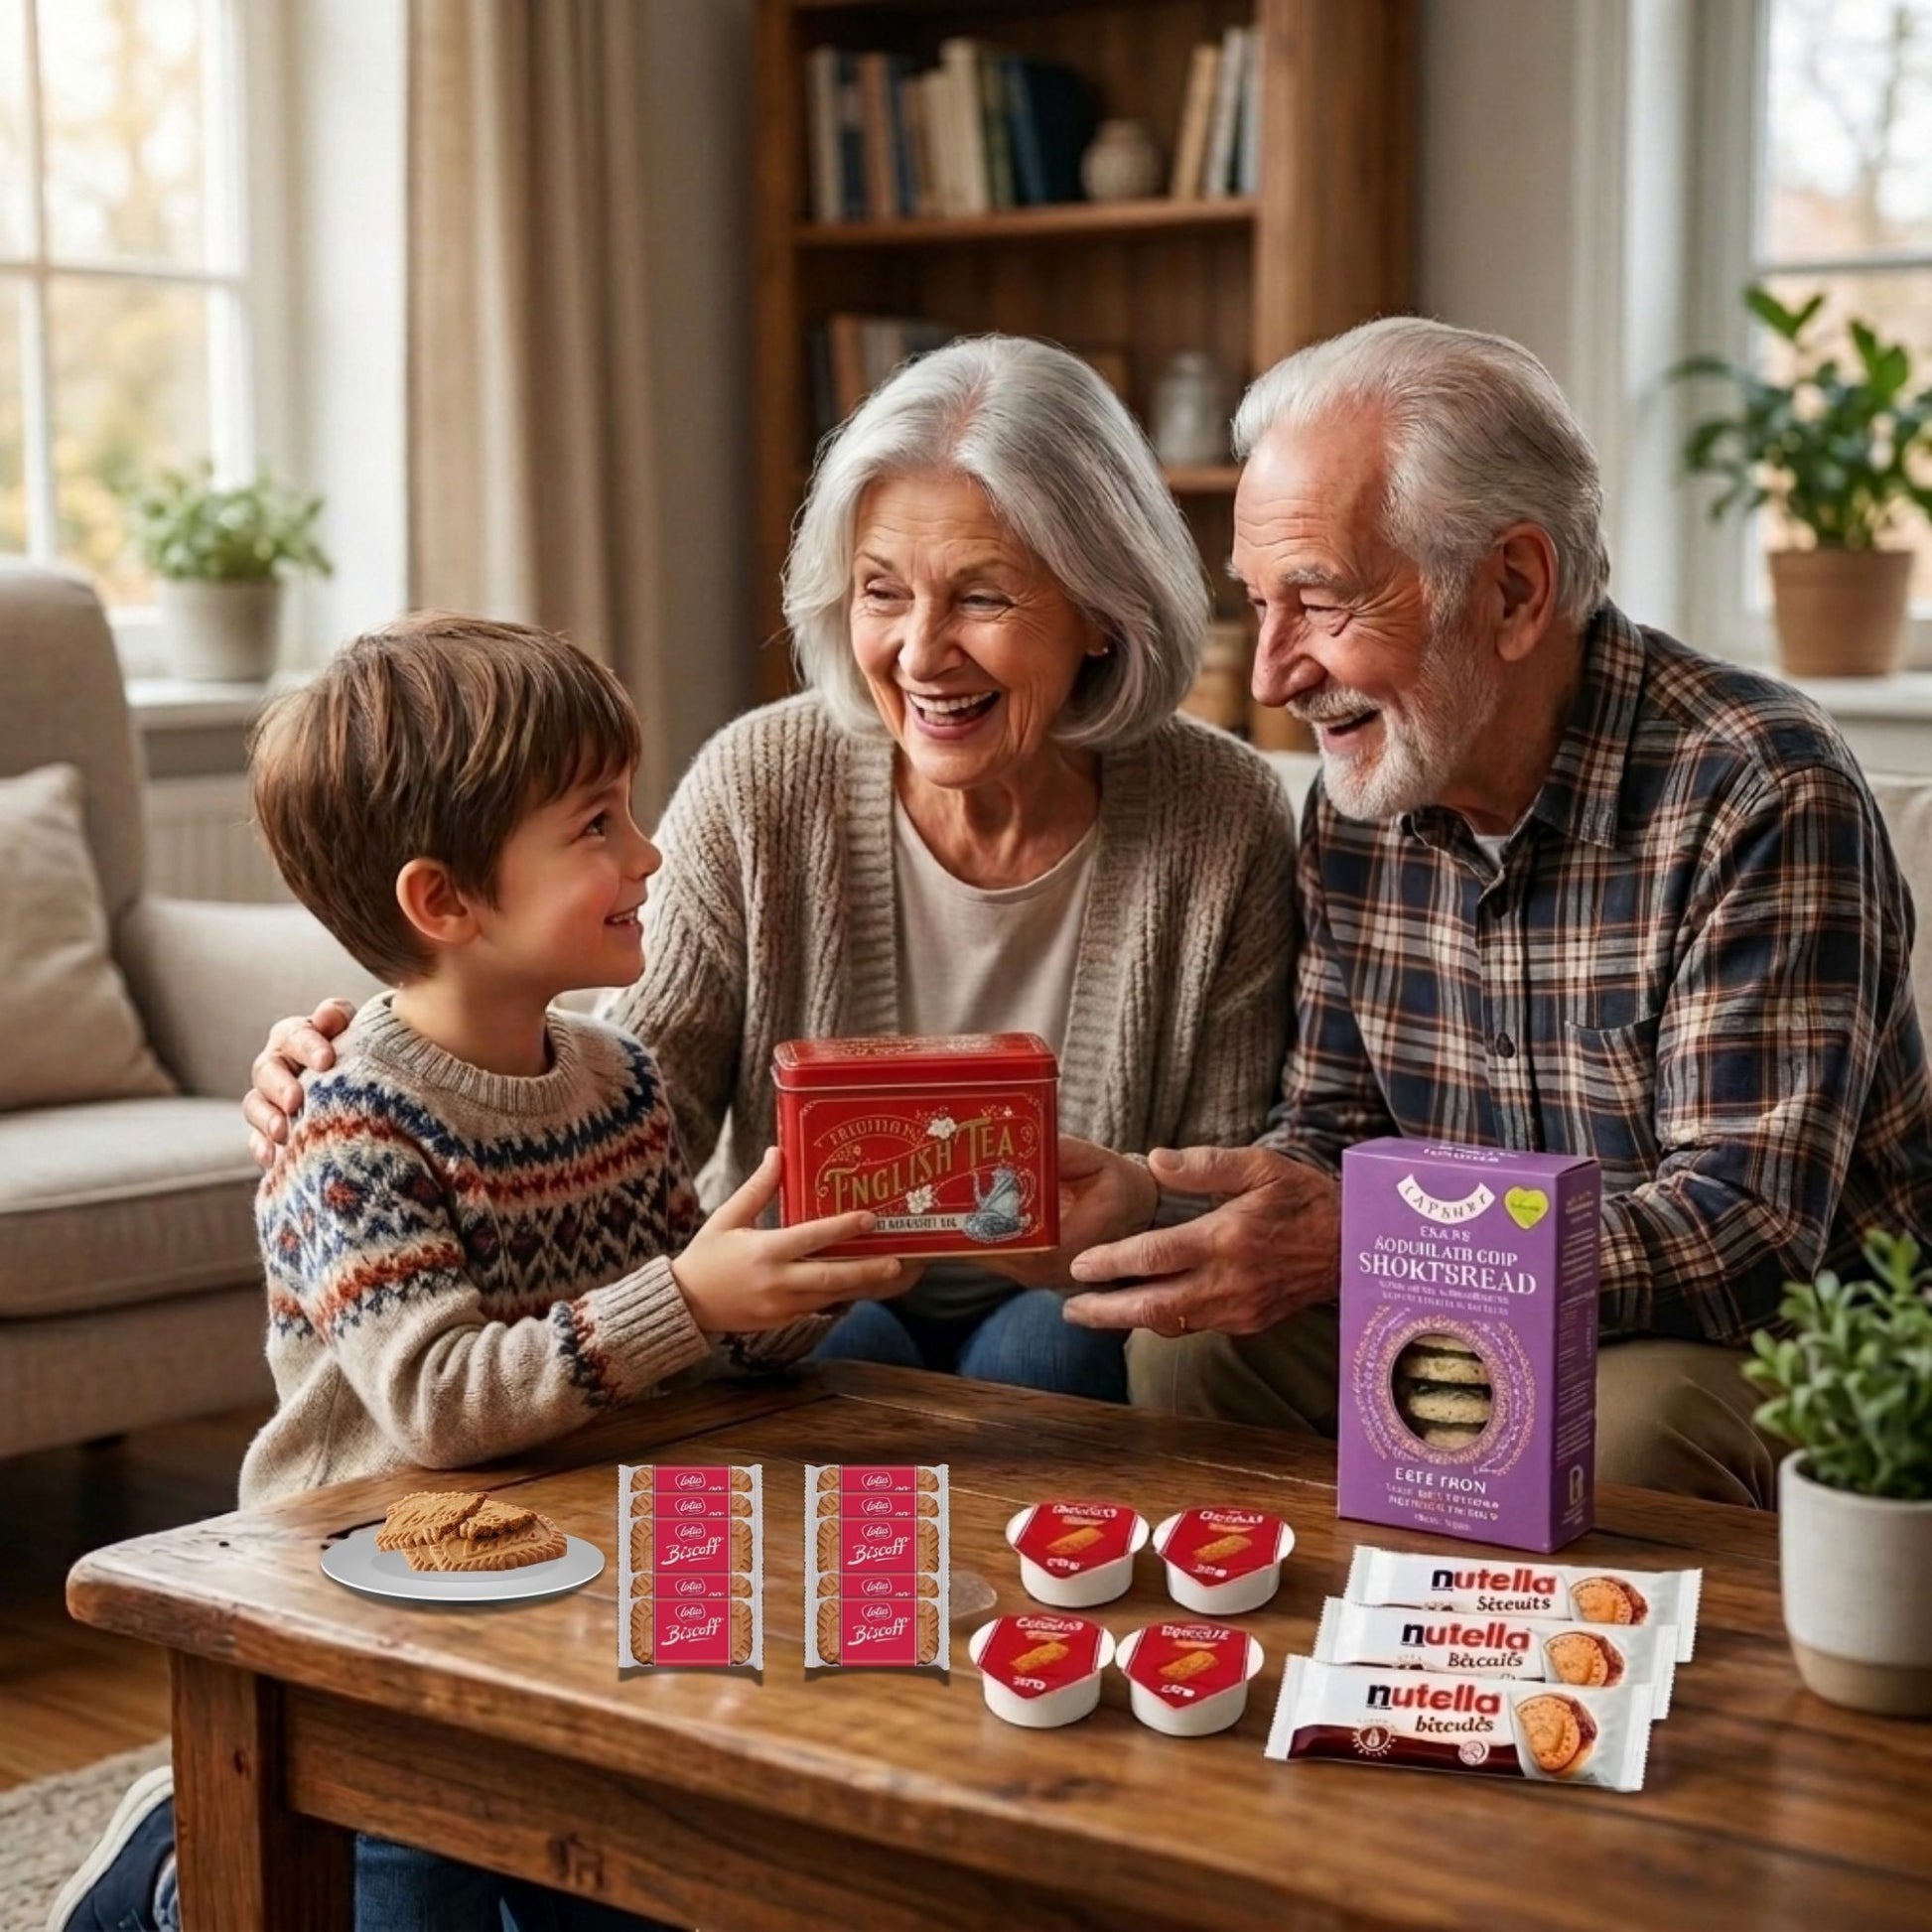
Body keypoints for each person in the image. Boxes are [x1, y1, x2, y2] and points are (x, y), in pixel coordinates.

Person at [241, 336, 1299, 1403]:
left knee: (1049, 1344)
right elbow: (621, 1111)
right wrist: (374, 1061)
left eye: (982, 597)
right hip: (802, 1315)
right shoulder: (761, 782)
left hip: (1073, 1305)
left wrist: (1140, 1203)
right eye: (882, 591)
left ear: (1102, 612)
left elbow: (1232, 1201)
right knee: (854, 1344)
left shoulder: (1222, 815)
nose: (920, 652)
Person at [54, 616, 907, 1932]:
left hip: (564, 1563)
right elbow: (441, 1407)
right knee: (401, 1899)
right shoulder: (349, 1121)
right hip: (362, 1590)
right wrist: (694, 1293)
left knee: (661, 1873)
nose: (647, 851)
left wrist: (790, 1287)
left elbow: (680, 1329)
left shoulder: (615, 1078)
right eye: (596, 825)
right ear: (444, 901)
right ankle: (173, 1884)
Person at [1050, 316, 1932, 1505]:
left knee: (1623, 1431)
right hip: (1462, 1303)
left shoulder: (1758, 786)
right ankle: (1337, 1651)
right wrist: (1169, 1203)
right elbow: (1332, 1125)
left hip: (1758, 1340)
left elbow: (1746, 1235)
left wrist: (1373, 1250)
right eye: (1258, 604)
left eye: (1316, 600)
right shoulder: (1364, 794)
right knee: (1190, 1343)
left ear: (1512, 589)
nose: (1270, 676)